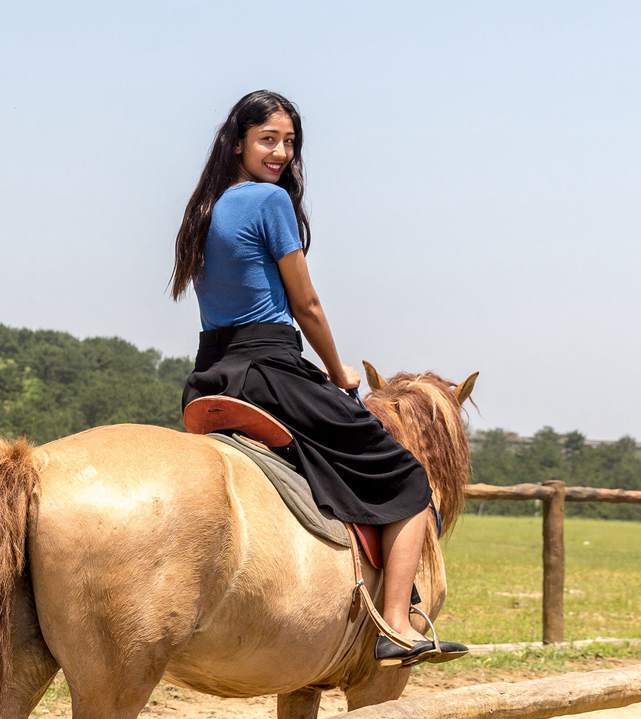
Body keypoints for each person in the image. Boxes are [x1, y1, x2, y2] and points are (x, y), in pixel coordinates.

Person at [172, 89, 467, 666]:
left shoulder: (205, 208)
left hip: (212, 375)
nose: (281, 152)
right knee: (407, 480)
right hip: (272, 371)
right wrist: (340, 373)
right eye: (268, 139)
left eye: (289, 142)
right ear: (238, 142)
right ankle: (399, 626)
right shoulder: (269, 203)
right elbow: (306, 305)